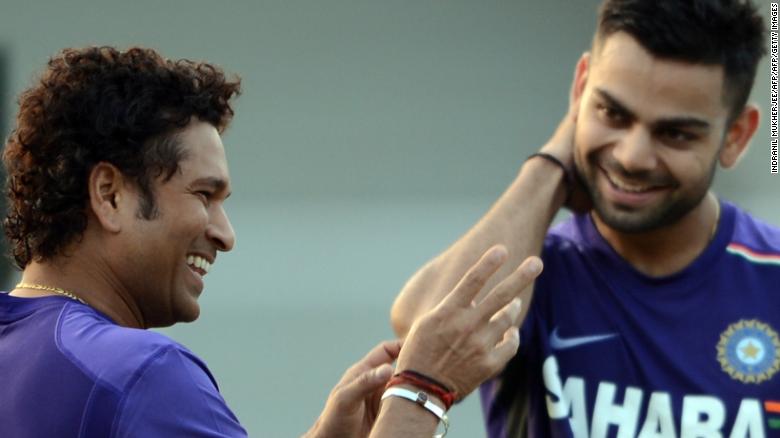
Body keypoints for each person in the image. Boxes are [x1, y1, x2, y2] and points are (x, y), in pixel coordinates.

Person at [0, 46, 543, 438]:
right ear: (110, 195)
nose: (225, 233)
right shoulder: (141, 375)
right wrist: (422, 392)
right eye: (205, 195)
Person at [391, 0, 779, 437]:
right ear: (580, 88)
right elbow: (424, 340)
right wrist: (550, 165)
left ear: (736, 136)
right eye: (612, 113)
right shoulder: (537, 272)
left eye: (674, 133)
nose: (631, 157)